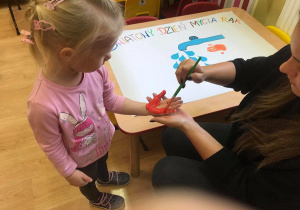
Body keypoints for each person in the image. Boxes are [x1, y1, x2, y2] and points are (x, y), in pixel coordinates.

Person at [25, 0, 182, 209]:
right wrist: (69, 172)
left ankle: (105, 177)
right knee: (88, 178)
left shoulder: (96, 71)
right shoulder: (41, 105)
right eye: (103, 53)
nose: (109, 57)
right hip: (80, 158)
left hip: (102, 140)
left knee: (102, 162)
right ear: (68, 54)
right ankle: (95, 197)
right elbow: (51, 146)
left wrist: (147, 109)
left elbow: (111, 101)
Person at [151, 17, 300, 210]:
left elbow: (244, 187)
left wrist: (190, 125)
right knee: (173, 136)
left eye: (299, 65)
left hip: (252, 192)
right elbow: (249, 71)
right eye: (291, 54)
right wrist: (204, 72)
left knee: (167, 171)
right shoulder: (289, 64)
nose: (284, 67)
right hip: (251, 144)